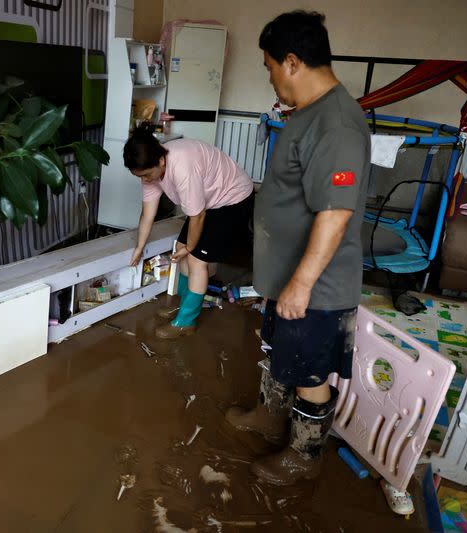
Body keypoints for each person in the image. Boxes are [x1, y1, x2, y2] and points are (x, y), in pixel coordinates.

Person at [225, 11, 371, 485]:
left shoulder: (338, 126)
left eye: (268, 66)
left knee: (309, 374)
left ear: (291, 61)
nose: (269, 77)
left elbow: (335, 212)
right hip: (288, 277)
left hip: (316, 287)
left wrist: (302, 284)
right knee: (279, 351)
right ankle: (270, 416)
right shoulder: (309, 114)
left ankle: (303, 457)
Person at [123, 127, 254, 339]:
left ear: (161, 161)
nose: (146, 180)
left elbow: (198, 216)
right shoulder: (151, 169)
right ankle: (184, 307)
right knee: (181, 254)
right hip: (209, 202)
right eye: (140, 177)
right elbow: (148, 213)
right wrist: (139, 247)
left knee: (195, 260)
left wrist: (191, 247)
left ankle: (186, 322)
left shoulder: (182, 166)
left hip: (233, 199)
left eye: (147, 175)